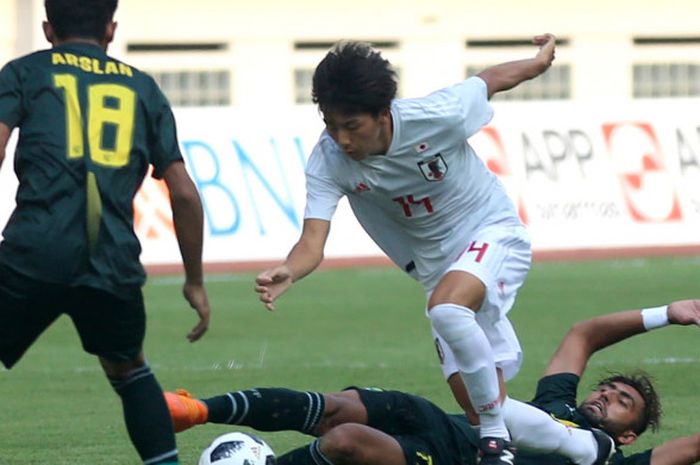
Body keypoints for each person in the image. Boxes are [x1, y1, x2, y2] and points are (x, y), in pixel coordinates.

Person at [254, 34, 557, 463]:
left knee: (450, 313)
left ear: (383, 114)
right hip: (437, 272)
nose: (340, 138)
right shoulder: (328, 161)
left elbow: (488, 80)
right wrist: (290, 269)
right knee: (485, 402)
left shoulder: (437, 116)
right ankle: (586, 448)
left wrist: (537, 63)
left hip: (493, 232)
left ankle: (495, 439)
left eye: (351, 125)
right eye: (330, 123)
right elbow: (311, 242)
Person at [0, 1, 211, 464]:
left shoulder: (23, 73)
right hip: (110, 260)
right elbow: (185, 194)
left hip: (33, 251)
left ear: (47, 28)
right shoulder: (143, 89)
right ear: (111, 30)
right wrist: (194, 279)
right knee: (129, 370)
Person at [167, 300, 700, 465]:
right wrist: (668, 313)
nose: (606, 395)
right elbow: (583, 334)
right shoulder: (556, 403)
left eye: (623, 402)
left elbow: (692, 447)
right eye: (608, 389)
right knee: (341, 406)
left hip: (448, 461)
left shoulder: (611, 460)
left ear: (631, 434)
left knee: (345, 442)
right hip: (434, 419)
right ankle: (197, 409)